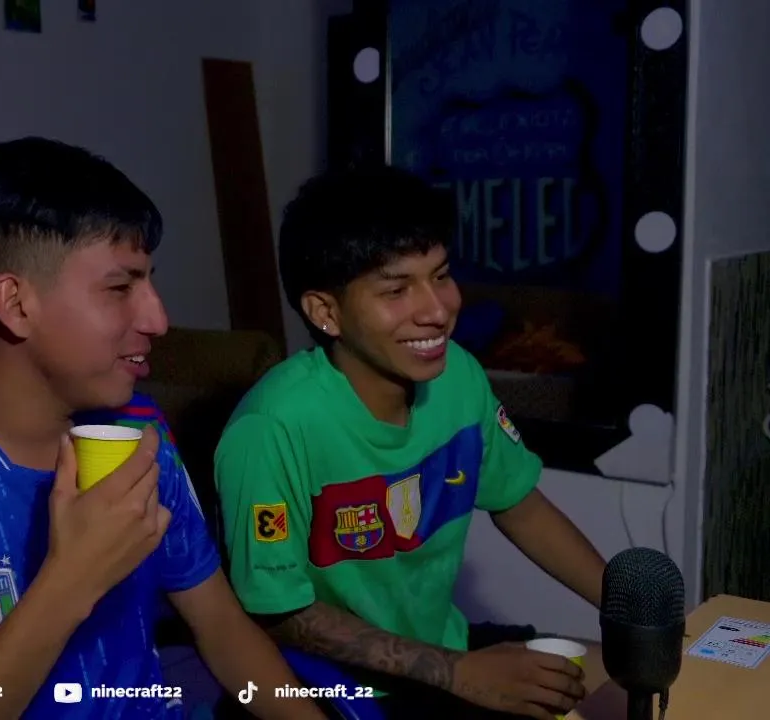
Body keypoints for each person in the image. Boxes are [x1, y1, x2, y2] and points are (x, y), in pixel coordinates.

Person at [0, 137, 325, 720]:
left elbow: (221, 626)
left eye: (149, 283)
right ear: (16, 304)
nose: (158, 319)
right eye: (120, 288)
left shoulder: (137, 429)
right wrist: (71, 582)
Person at [212, 165, 610, 720]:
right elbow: (279, 612)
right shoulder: (270, 428)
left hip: (445, 650)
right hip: (330, 686)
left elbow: (521, 507)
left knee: (630, 680)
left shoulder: (458, 376)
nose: (438, 310)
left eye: (441, 275)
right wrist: (457, 673)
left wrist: (630, 610)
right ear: (326, 312)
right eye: (397, 290)